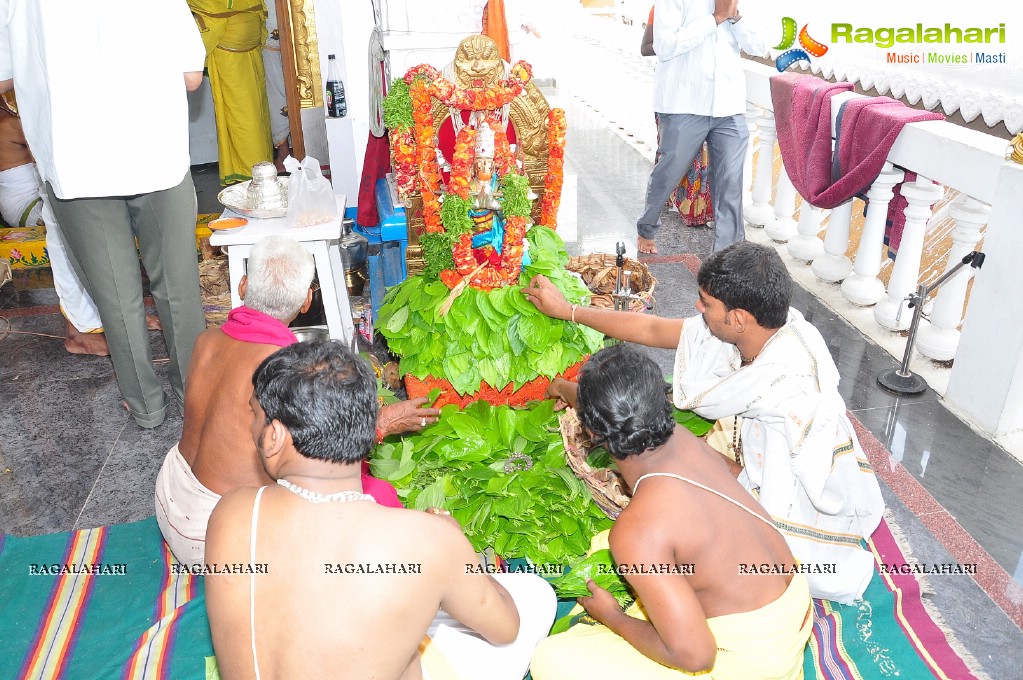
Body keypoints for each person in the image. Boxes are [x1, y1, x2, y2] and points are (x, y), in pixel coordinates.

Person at [523, 242, 885, 603]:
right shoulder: (766, 326)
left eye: (706, 303)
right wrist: (567, 310)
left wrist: (663, 453)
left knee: (659, 456)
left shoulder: (784, 396)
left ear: (738, 318)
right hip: (758, 462)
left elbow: (764, 499)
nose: (698, 308)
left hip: (791, 505)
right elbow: (652, 331)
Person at [204, 340, 556, 679]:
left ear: (275, 436)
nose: (252, 427)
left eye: (254, 414)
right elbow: (505, 630)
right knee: (535, 593)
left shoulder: (231, 512)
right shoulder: (427, 541)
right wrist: (460, 553)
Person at [156, 235, 440, 567]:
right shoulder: (286, 369)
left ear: (243, 286)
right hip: (214, 537)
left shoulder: (206, 340)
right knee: (374, 496)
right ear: (307, 300)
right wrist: (382, 423)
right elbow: (321, 464)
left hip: (170, 496)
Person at [531, 344, 812, 678]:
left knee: (552, 658)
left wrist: (614, 618)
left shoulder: (639, 531)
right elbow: (618, 412)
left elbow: (696, 657)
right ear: (661, 402)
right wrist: (563, 387)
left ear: (591, 432)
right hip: (791, 605)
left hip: (753, 661)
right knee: (608, 545)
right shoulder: (680, 437)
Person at [1, 0, 209, 429]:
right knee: (179, 289)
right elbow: (190, 78)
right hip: (155, 151)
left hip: (76, 162)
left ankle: (147, 408)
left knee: (118, 299)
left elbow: (4, 73)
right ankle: (199, 400)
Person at [635, 0, 766, 254]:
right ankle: (647, 227)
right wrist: (714, 19)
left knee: (730, 181)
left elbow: (759, 45)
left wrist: (734, 16)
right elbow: (664, 46)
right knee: (668, 172)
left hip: (729, 104)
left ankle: (728, 254)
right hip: (683, 100)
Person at [0, 95, 108, 356]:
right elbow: (53, 151)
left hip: (20, 202)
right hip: (28, 204)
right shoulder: (10, 125)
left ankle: (111, 319)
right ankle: (85, 326)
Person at [641, 6, 715, 229]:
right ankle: (668, 203)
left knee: (703, 158)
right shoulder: (661, 8)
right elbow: (645, 48)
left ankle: (697, 210)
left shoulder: (713, 8)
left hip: (705, 97)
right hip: (673, 97)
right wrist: (677, 42)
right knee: (673, 156)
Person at [188, 0, 273, 185]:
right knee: (255, 109)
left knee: (241, 114)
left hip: (228, 36)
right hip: (248, 29)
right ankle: (263, 171)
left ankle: (253, 177)